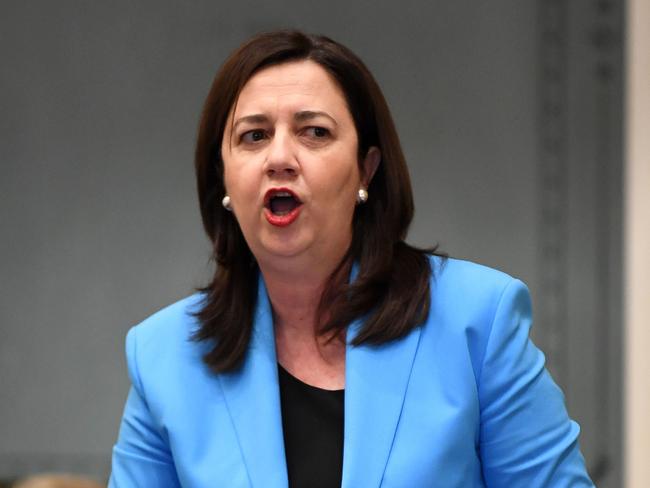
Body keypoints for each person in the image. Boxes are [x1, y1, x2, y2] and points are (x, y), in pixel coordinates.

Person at [109, 30, 594, 487]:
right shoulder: (163, 356)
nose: (279, 157)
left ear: (367, 168)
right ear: (224, 180)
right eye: (253, 136)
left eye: (314, 132)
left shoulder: (477, 320)